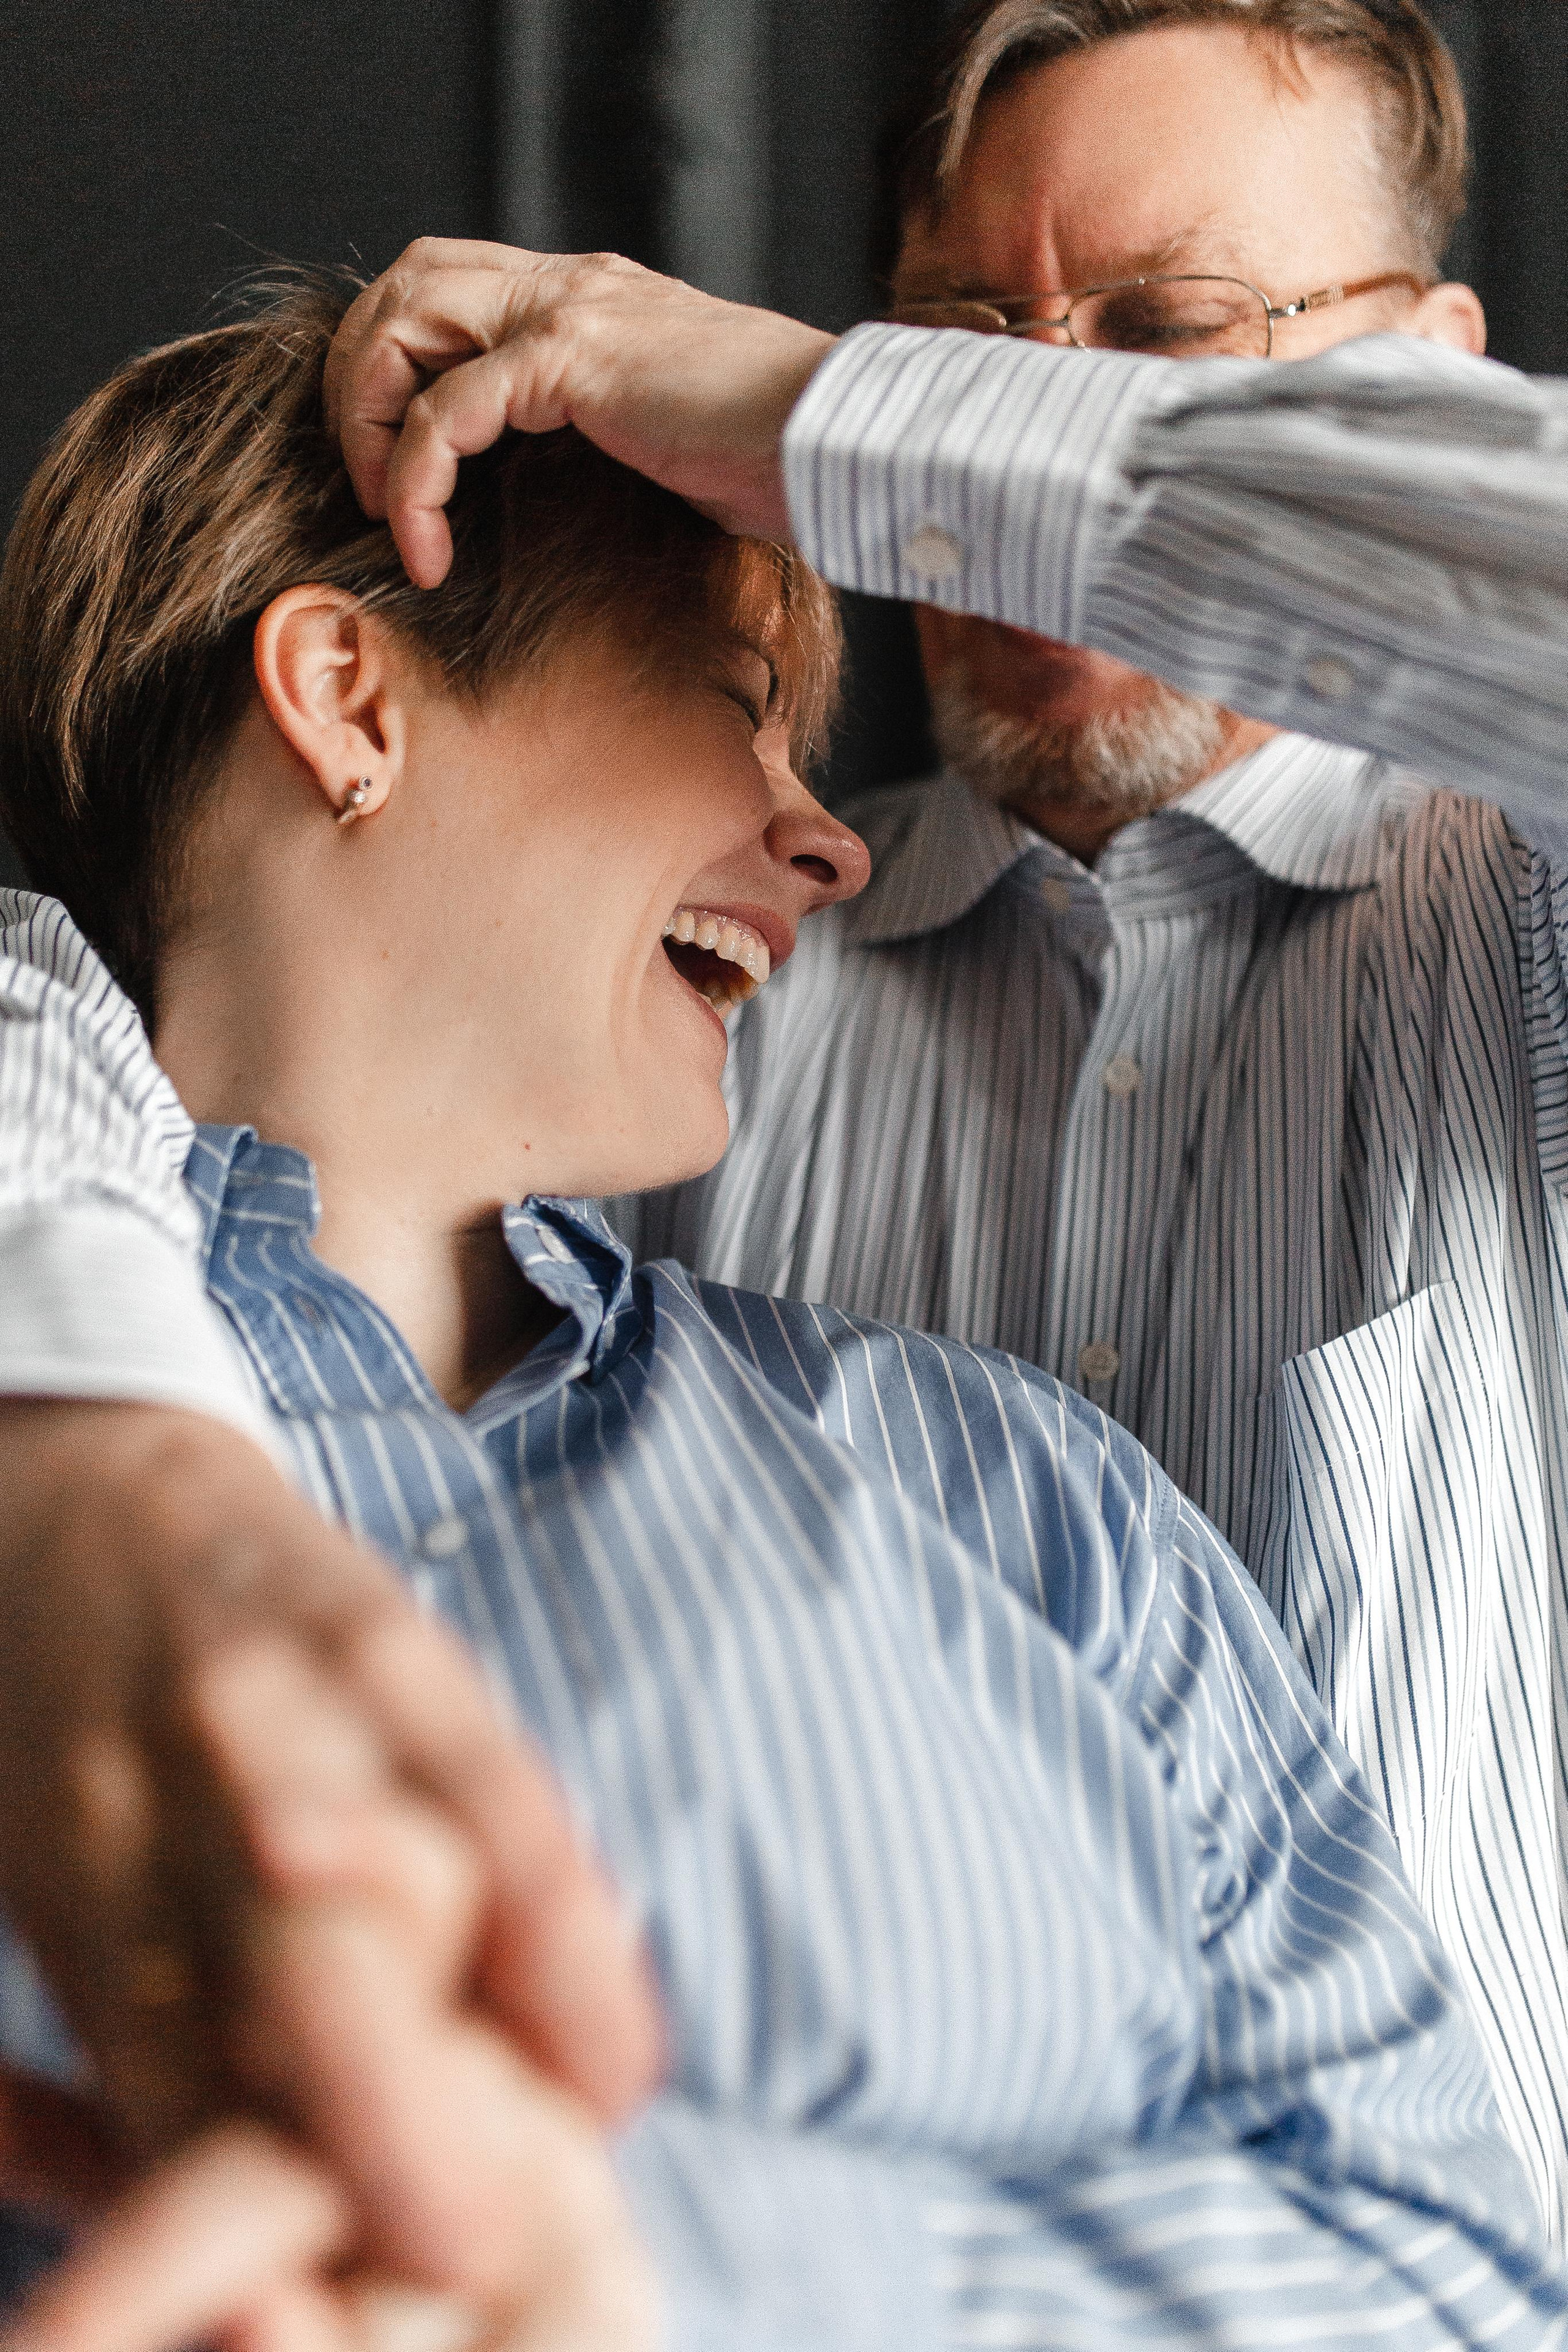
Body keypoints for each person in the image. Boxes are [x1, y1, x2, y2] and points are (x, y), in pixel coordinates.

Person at [15, 0, 1568, 2274]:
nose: (1039, 419)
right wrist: (82, 1442)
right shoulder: (650, 1034)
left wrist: (826, 405)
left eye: (1167, 334)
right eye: (968, 334)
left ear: (1425, 374)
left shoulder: (1521, 909)